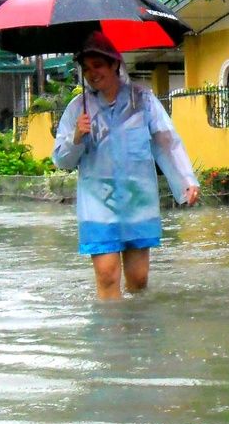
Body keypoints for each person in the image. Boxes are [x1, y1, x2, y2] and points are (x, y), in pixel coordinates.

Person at [52, 31, 200, 300]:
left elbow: (166, 142)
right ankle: (109, 326)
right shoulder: (78, 109)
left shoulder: (142, 100)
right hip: (97, 204)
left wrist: (186, 181)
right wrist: (76, 138)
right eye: (86, 68)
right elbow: (62, 161)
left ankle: (134, 325)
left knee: (139, 280)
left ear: (114, 64)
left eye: (98, 65)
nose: (92, 73)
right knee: (107, 275)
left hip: (138, 200)